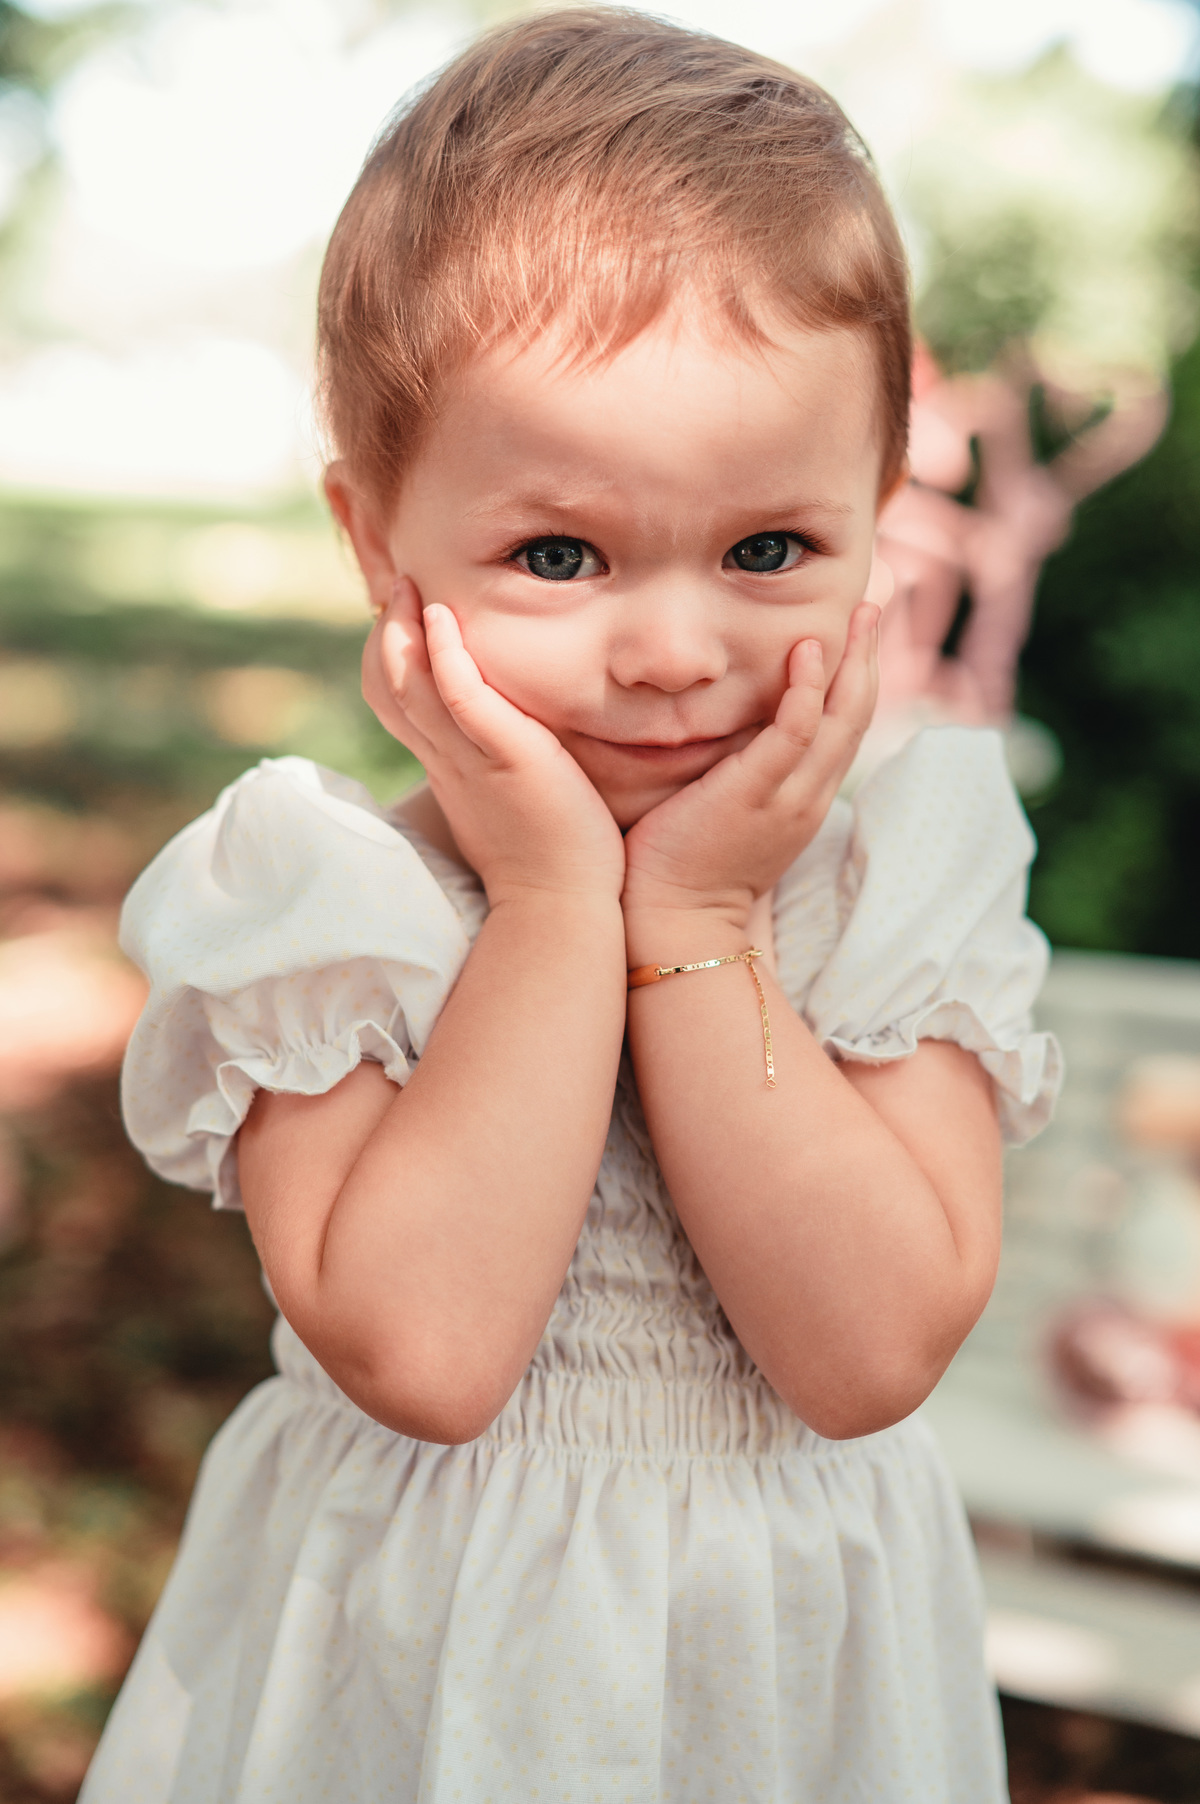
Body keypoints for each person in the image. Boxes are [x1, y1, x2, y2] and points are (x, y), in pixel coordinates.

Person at [81, 11, 1061, 1800]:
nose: (675, 656)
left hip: (787, 1703)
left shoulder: (896, 877)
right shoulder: (326, 906)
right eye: (559, 555)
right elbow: (428, 1353)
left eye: (771, 550)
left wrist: (702, 919)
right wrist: (549, 901)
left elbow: (862, 1355)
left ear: (878, 518)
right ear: (377, 540)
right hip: (413, 1692)